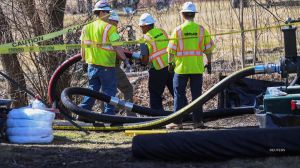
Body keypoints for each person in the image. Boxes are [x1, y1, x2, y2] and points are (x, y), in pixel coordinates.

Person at [167, 2, 215, 129]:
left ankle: (177, 122)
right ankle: (198, 122)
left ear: (183, 15)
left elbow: (171, 50)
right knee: (197, 96)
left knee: (179, 95)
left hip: (181, 69)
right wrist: (209, 63)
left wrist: (170, 63)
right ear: (194, 14)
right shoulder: (201, 30)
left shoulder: (177, 30)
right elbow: (209, 49)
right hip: (197, 68)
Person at [79, 0, 128, 119]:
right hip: (107, 66)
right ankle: (109, 115)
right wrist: (125, 59)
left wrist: (83, 60)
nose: (109, 14)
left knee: (92, 90)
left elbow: (83, 47)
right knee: (110, 92)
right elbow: (117, 46)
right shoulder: (110, 28)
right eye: (107, 12)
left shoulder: (86, 27)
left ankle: (83, 113)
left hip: (92, 65)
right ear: (101, 12)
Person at [137, 13, 174, 111]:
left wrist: (140, 61)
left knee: (155, 95)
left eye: (141, 27)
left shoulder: (143, 39)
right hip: (171, 66)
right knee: (176, 93)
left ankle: (157, 118)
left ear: (145, 26)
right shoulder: (162, 32)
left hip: (158, 69)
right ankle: (186, 113)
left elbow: (145, 60)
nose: (141, 29)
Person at [106, 10, 136, 117]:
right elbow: (117, 50)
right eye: (116, 22)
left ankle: (107, 114)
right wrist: (126, 60)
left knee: (105, 92)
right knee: (128, 89)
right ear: (111, 21)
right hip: (112, 66)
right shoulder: (111, 31)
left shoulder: (100, 30)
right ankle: (131, 115)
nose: (117, 25)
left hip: (99, 66)